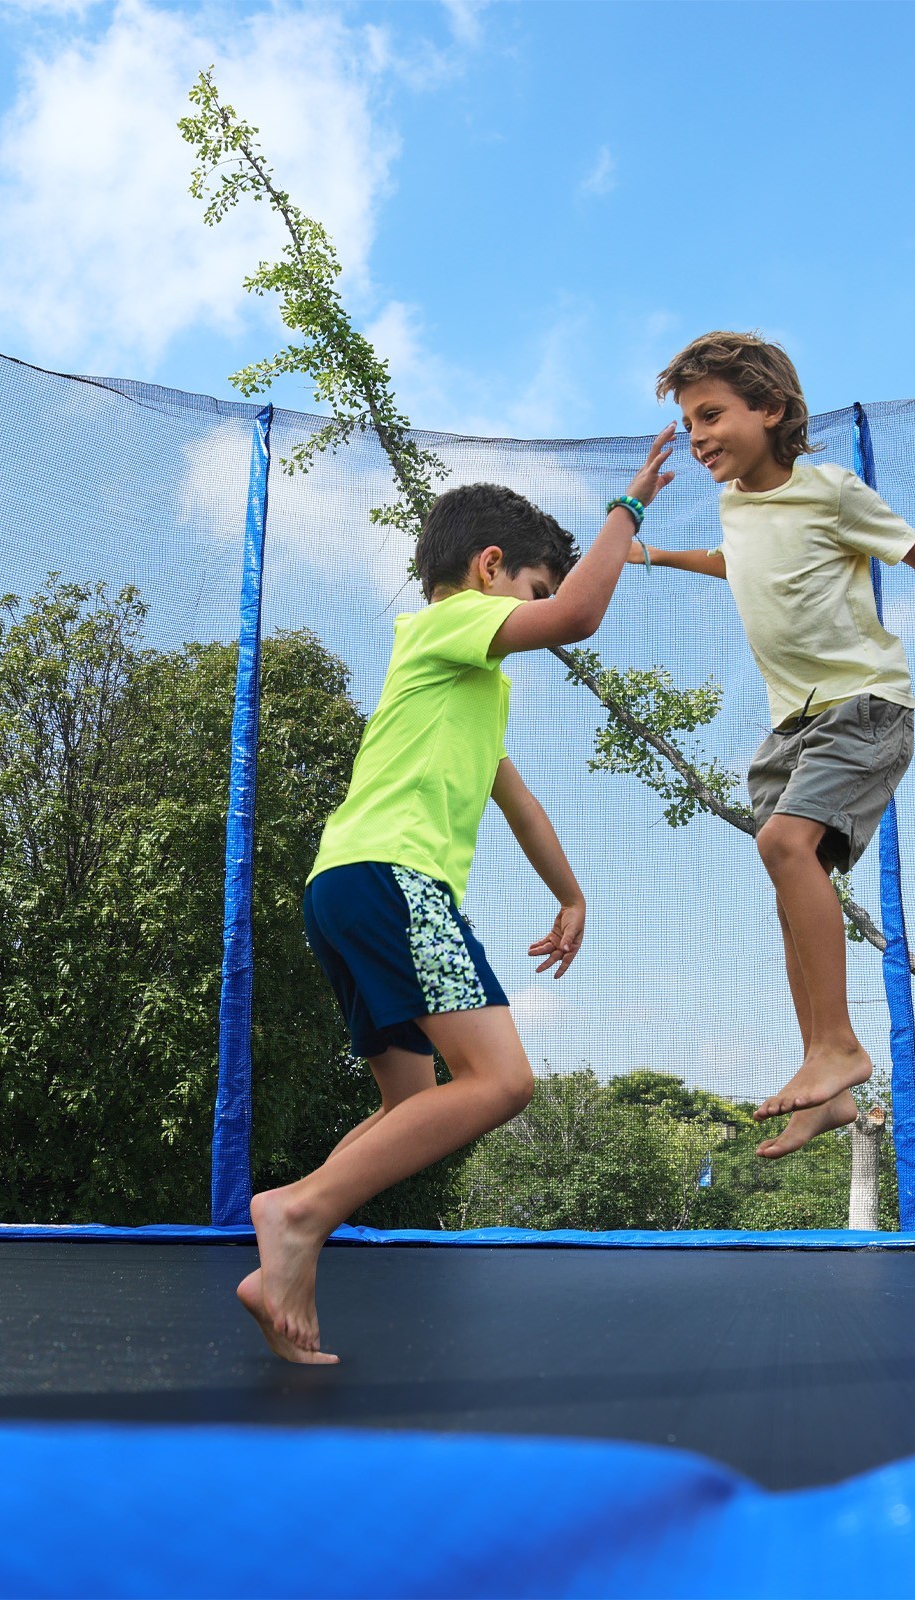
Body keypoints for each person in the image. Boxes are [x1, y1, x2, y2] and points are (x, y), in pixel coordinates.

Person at [239, 426, 677, 1363]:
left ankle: (286, 1254)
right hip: (398, 881)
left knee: (413, 1103)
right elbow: (580, 619)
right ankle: (297, 1212)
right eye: (531, 586)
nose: (537, 612)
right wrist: (626, 509)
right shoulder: (446, 625)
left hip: (345, 884)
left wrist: (572, 896)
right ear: (489, 568)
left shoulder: (461, 683)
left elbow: (518, 807)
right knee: (502, 1083)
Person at [633, 332, 915, 1159]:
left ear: (771, 409)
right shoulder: (735, 506)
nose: (699, 433)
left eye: (711, 414)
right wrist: (653, 554)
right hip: (793, 725)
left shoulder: (832, 491)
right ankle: (826, 1087)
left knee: (787, 845)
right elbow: (741, 565)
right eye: (689, 420)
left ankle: (838, 1049)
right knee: (795, 879)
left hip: (864, 705)